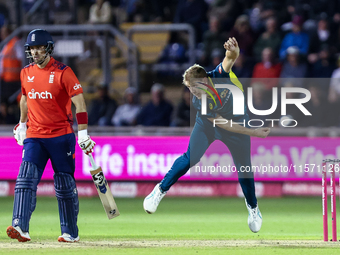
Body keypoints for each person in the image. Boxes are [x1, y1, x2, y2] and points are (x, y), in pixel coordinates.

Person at [143, 37, 270, 233]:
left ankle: (253, 208)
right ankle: (159, 190)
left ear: (204, 80)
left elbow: (230, 58)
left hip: (237, 121)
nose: (191, 93)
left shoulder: (218, 75)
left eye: (193, 88)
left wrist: (234, 50)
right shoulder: (198, 102)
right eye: (188, 89)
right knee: (190, 158)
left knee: (244, 168)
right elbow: (222, 124)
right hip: (213, 124)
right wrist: (254, 132)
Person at [6, 29, 95, 243]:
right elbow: (25, 98)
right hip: (35, 136)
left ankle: (70, 232)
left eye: (39, 47)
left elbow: (80, 102)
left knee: (64, 186)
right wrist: (22, 123)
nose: (35, 52)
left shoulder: (64, 72)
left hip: (61, 136)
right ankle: (20, 226)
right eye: (32, 48)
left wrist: (83, 133)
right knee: (25, 180)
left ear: (49, 48)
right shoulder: (26, 72)